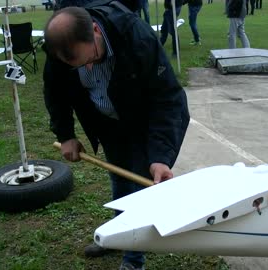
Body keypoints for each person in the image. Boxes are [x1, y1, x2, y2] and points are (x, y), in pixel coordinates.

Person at [42, 1, 190, 269]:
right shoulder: (60, 51)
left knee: (140, 187)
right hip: (107, 121)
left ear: (96, 31)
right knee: (119, 177)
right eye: (77, 66)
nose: (86, 68)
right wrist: (65, 135)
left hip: (142, 119)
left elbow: (168, 99)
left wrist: (160, 156)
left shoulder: (137, 37)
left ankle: (133, 260)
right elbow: (55, 91)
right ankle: (115, 236)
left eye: (90, 59)